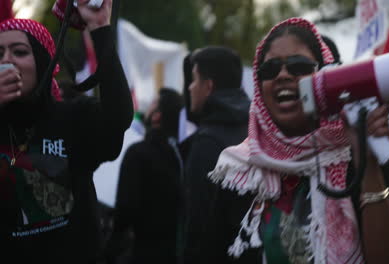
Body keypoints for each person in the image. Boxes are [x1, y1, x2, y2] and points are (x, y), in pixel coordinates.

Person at [208, 18, 389, 264]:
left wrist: (368, 166)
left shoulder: (359, 152)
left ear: (323, 77)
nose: (283, 75)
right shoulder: (239, 172)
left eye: (298, 66)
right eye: (270, 69)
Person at [0, 0, 133, 263]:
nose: (6, 61)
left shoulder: (73, 118)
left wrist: (99, 27)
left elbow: (118, 117)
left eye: (19, 52)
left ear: (42, 63)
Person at [182, 46, 260, 263]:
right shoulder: (257, 131)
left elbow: (198, 222)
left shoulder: (207, 142)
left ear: (208, 86)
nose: (189, 88)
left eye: (194, 80)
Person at [108, 88, 183, 264]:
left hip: (140, 251)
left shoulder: (137, 153)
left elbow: (125, 209)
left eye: (153, 104)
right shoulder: (180, 155)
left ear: (157, 116)